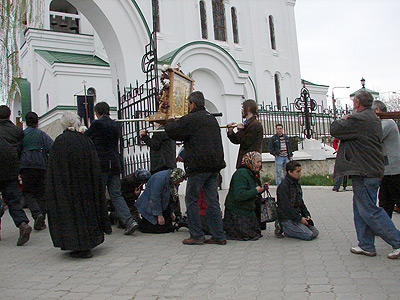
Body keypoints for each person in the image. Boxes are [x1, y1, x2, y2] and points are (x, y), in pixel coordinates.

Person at [331, 90, 400, 259]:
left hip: (364, 171)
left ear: (357, 103)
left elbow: (335, 129)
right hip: (369, 169)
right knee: (360, 208)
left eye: (354, 101)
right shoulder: (373, 119)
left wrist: (343, 119)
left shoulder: (359, 119)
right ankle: (366, 245)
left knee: (369, 209)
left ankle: (397, 241)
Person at [46, 112, 111, 258]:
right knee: (86, 212)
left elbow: (53, 170)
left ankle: (76, 244)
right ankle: (88, 241)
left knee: (71, 215)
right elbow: (94, 165)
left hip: (67, 188)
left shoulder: (59, 143)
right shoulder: (85, 141)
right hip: (86, 186)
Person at [165, 91, 226, 245]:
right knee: (212, 201)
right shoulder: (211, 119)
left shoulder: (192, 119)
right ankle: (218, 235)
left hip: (198, 168)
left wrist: (170, 121)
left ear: (192, 104)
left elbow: (174, 132)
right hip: (214, 168)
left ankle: (197, 235)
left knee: (191, 200)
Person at [85, 102, 138, 235]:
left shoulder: (97, 124)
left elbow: (86, 137)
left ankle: (99, 223)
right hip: (114, 163)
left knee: (99, 194)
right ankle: (129, 220)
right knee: (116, 194)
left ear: (97, 112)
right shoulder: (116, 125)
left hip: (101, 164)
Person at [0, 105, 32, 246]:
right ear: (9, 115)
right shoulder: (16, 131)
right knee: (13, 200)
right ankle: (22, 224)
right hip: (10, 170)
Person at [19, 112, 53, 230]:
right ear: (37, 122)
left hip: (26, 167)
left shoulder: (22, 135)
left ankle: (36, 213)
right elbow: (51, 148)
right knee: (41, 194)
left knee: (28, 193)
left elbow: (17, 151)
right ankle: (41, 220)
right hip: (41, 166)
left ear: (26, 122)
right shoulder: (42, 135)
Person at [224, 151, 267, 241]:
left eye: (260, 162)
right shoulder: (241, 174)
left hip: (247, 210)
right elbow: (239, 195)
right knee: (247, 234)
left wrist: (261, 188)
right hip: (237, 211)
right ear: (250, 162)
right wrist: (256, 190)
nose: (260, 164)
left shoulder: (251, 173)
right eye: (257, 162)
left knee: (255, 233)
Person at [275, 160, 319, 240]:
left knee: (315, 233)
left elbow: (300, 202)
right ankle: (283, 227)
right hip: (287, 218)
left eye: (300, 171)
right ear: (290, 172)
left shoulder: (296, 184)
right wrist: (299, 219)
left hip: (296, 215)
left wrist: (306, 215)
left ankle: (294, 228)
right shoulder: (283, 187)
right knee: (308, 235)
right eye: (297, 172)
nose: (300, 174)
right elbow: (286, 207)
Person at [371, 100, 400, 218]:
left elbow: (375, 136)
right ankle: (384, 227)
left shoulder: (387, 123)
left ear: (377, 110)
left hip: (393, 170)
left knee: (392, 198)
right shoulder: (386, 123)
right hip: (387, 170)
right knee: (385, 201)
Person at [135, 168, 185, 233]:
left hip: (161, 206)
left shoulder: (172, 182)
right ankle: (140, 224)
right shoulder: (159, 179)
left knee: (168, 226)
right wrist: (159, 215)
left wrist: (172, 212)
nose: (178, 183)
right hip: (149, 206)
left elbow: (172, 198)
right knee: (160, 228)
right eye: (178, 181)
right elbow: (155, 198)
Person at [227, 99, 263, 169]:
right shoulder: (247, 124)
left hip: (251, 162)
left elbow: (246, 142)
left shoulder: (255, 125)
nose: (242, 111)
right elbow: (237, 140)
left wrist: (241, 130)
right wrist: (231, 131)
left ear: (248, 109)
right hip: (245, 161)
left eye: (243, 108)